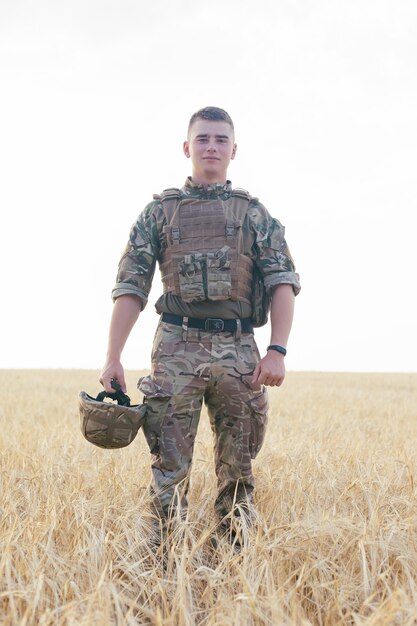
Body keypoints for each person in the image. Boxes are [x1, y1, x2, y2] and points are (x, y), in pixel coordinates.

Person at [100, 106, 300, 540]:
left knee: (239, 466)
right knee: (169, 468)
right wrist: (113, 357)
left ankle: (233, 563)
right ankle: (163, 563)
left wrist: (277, 350)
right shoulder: (159, 213)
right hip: (176, 345)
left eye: (221, 139)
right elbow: (131, 287)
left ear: (234, 150)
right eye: (203, 139)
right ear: (187, 147)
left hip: (238, 349)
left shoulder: (254, 214)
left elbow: (282, 281)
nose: (212, 147)